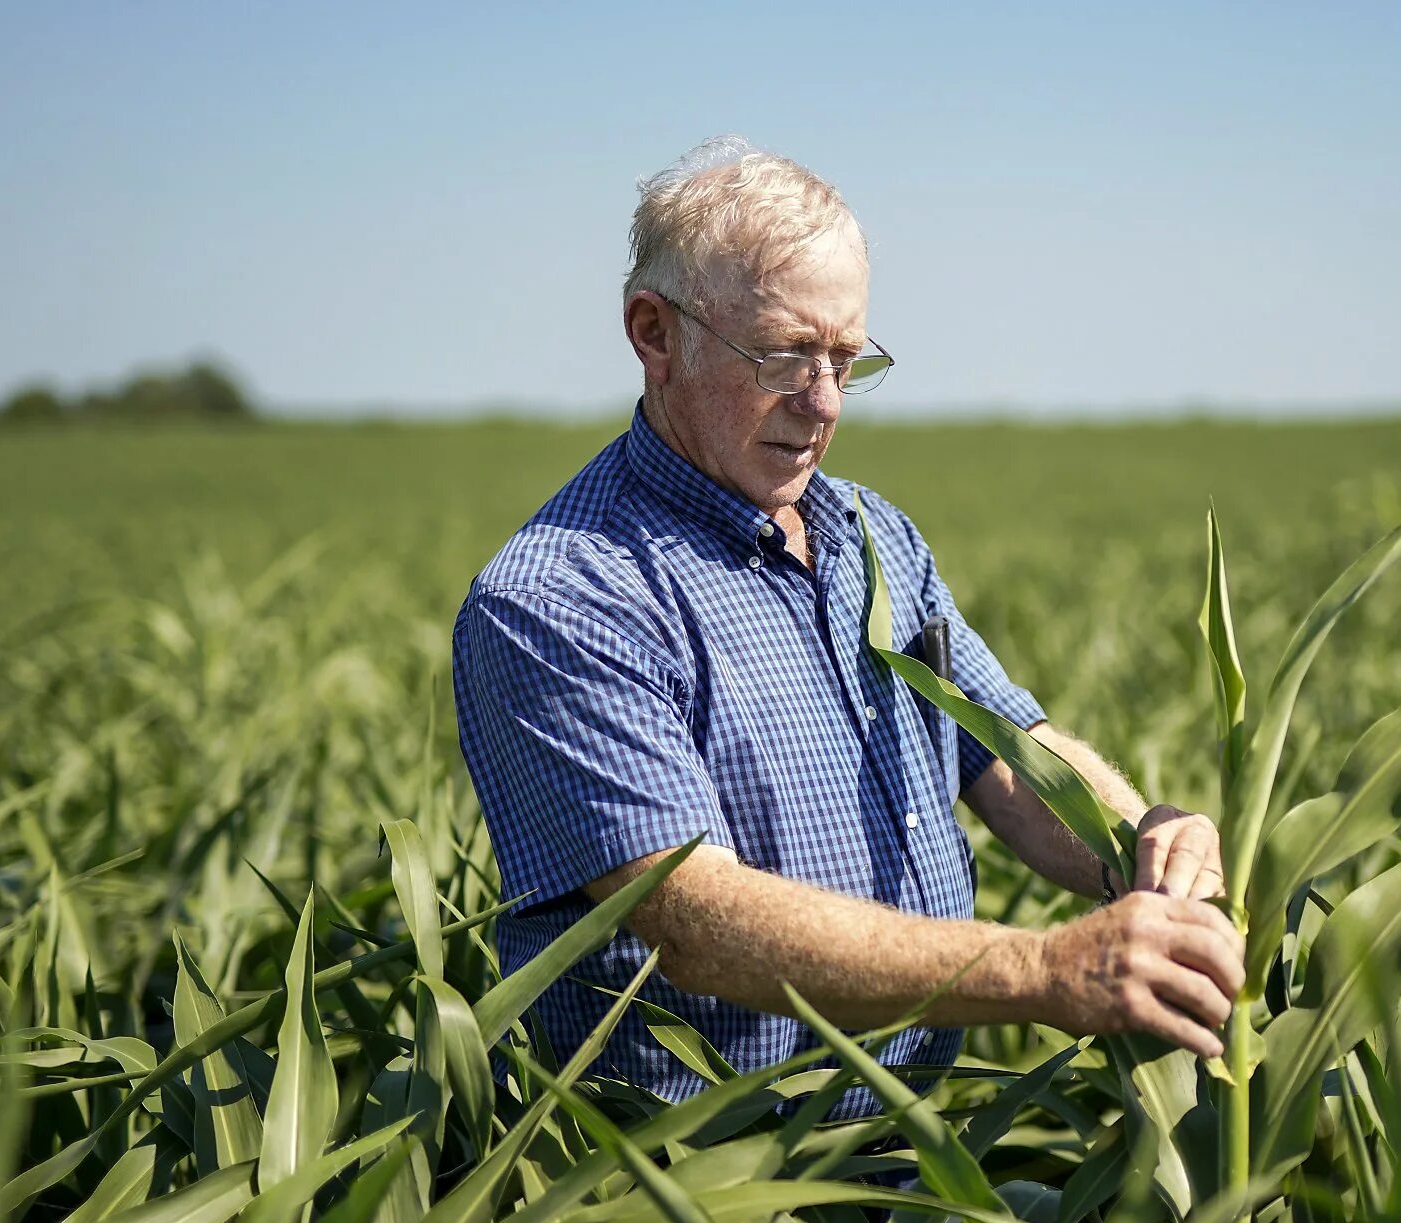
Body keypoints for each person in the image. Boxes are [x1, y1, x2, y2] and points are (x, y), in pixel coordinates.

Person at [452, 137, 1243, 1118]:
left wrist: (1143, 844)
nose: (823, 405)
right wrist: (1041, 968)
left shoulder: (873, 537)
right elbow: (690, 916)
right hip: (684, 1202)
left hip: (912, 1147)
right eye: (782, 357)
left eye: (845, 359)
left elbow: (1003, 757)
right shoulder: (560, 600)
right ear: (653, 334)